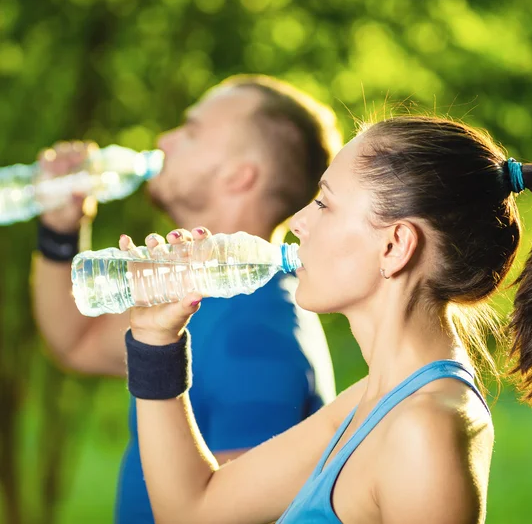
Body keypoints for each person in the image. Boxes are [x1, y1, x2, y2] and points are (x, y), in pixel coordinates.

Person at [121, 115, 532, 524]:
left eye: (324, 203)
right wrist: (155, 339)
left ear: (395, 246)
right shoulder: (373, 401)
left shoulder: (424, 431)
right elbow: (192, 510)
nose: (298, 222)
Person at [31, 75, 343, 523]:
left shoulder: (258, 334)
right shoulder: (197, 294)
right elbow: (74, 342)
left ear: (240, 176)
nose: (165, 140)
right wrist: (60, 231)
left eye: (191, 132)